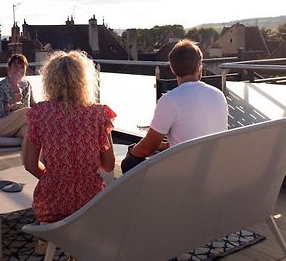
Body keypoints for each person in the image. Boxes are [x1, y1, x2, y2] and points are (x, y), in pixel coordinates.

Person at [24, 50, 116, 224]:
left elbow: (30, 164)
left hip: (51, 202)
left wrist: (55, 178)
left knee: (50, 223)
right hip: (90, 201)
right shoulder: (98, 114)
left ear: (50, 81)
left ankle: (49, 240)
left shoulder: (40, 113)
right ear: (84, 81)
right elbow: (108, 165)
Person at [121, 39, 228, 173]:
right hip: (215, 168)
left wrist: (131, 152)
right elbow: (198, 136)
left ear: (172, 68)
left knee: (129, 164)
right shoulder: (218, 95)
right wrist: (165, 145)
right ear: (199, 65)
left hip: (185, 173)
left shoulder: (170, 100)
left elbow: (147, 148)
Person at [0, 54, 36, 149]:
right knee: (28, 112)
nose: (19, 70)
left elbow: (33, 104)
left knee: (31, 131)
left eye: (22, 67)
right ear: (9, 68)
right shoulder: (0, 86)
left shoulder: (27, 85)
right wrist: (11, 102)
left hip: (17, 127)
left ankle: (32, 163)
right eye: (15, 66)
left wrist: (49, 104)